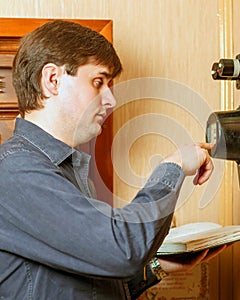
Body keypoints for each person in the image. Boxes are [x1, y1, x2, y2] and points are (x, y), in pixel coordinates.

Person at [0, 20, 226, 299]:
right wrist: (174, 165)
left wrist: (156, 266)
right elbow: (121, 250)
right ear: (52, 80)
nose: (110, 99)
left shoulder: (62, 169)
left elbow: (75, 286)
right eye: (98, 82)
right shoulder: (15, 172)